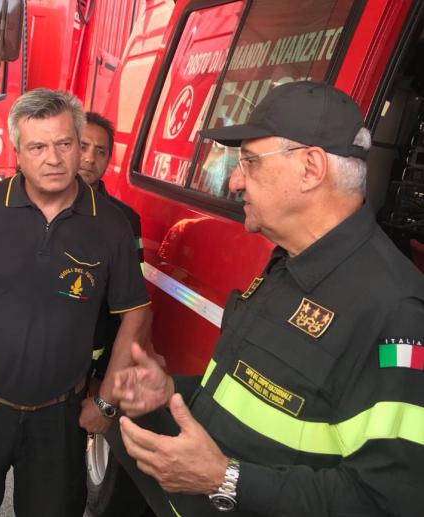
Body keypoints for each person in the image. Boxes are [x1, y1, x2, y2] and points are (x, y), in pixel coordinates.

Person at [110, 80, 424, 516]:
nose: (235, 181)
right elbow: (254, 397)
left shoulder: (396, 310)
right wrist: (170, 392)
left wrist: (224, 479)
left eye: (251, 162)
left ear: (311, 168)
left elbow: (387, 502)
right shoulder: (287, 261)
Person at [0, 88, 151, 517]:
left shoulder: (111, 225)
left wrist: (105, 401)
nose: (54, 159)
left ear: (79, 144)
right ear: (18, 153)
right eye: (38, 147)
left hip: (58, 419)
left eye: (64, 144)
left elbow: (136, 315)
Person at [77, 111, 143, 388]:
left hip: (87, 367)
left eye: (100, 151)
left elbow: (130, 307)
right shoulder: (42, 208)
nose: (90, 158)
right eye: (83, 146)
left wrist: (104, 376)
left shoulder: (125, 221)